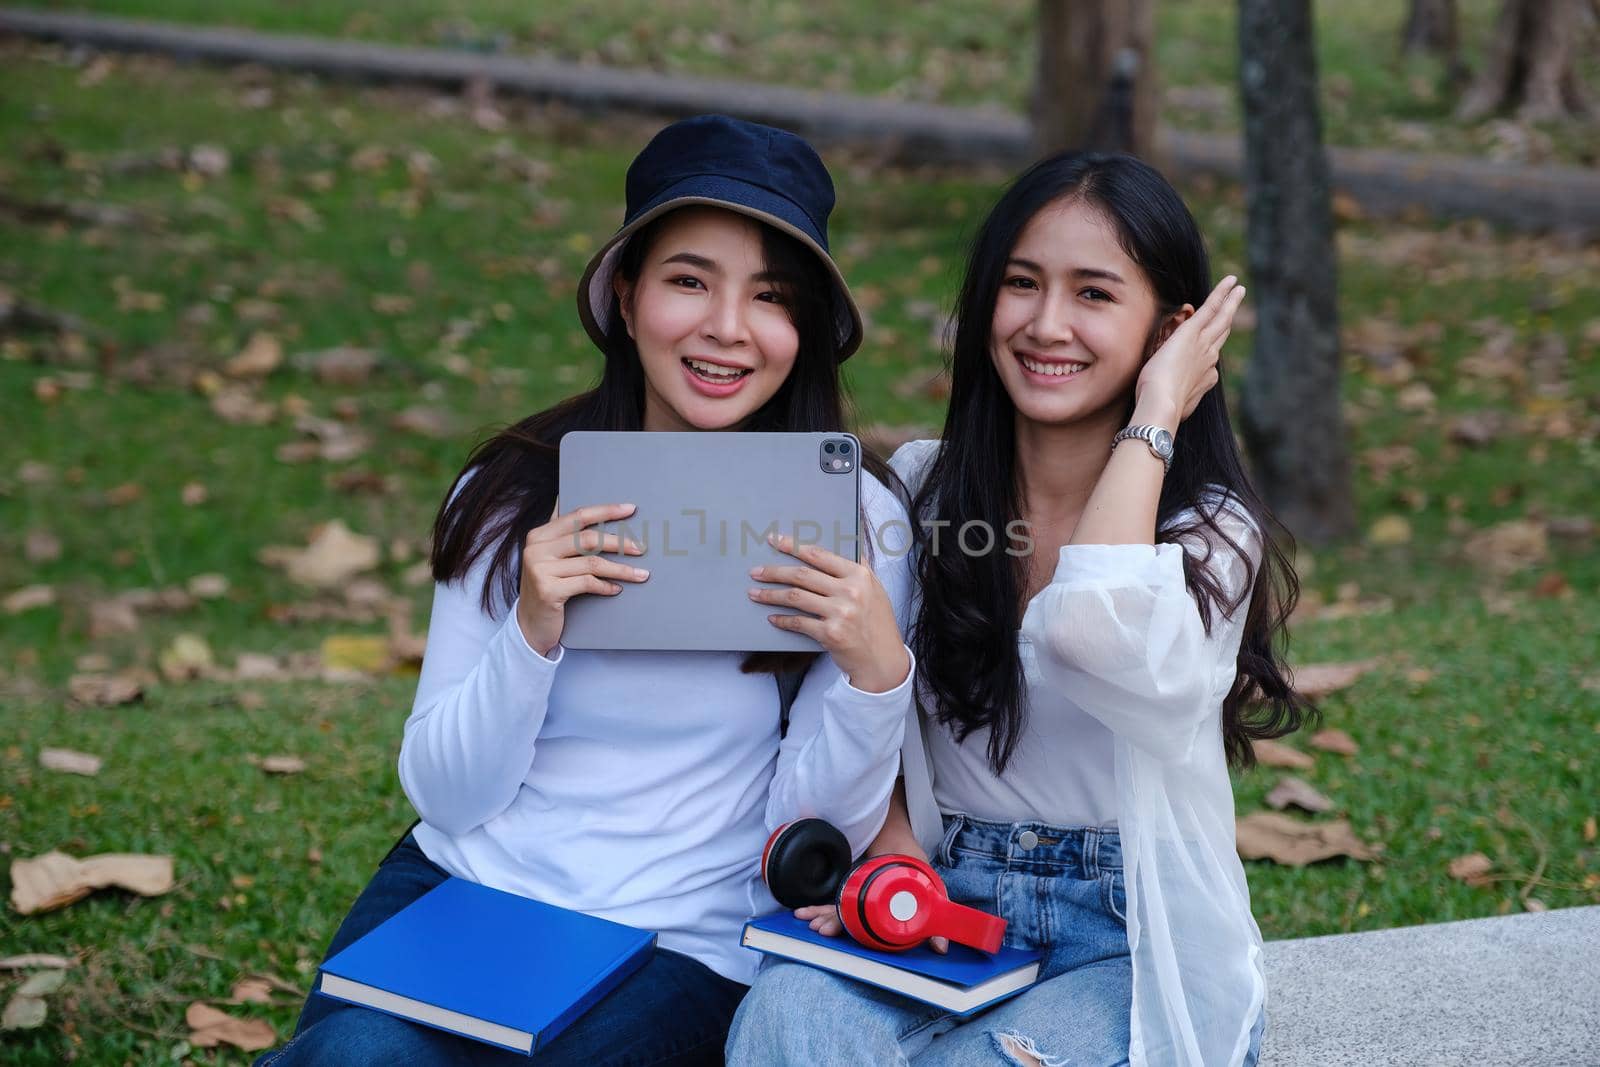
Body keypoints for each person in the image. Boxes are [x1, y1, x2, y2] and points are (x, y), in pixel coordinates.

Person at [256, 115, 919, 1066]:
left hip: (682, 938)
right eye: (689, 280)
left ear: (805, 327)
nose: (727, 329)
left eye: (770, 297)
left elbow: (810, 834)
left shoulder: (854, 517)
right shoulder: (513, 488)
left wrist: (873, 673)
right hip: (475, 890)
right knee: (354, 1058)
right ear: (625, 292)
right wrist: (531, 632)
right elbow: (446, 794)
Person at [726, 152, 1313, 1066]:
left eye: (1094, 294)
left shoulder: (1209, 535)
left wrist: (1154, 416)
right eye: (1022, 284)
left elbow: (1092, 633)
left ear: (1171, 330)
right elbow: (865, 699)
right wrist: (889, 851)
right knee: (787, 1020)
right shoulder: (924, 489)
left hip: (1127, 932)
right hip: (942, 892)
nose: (1047, 325)